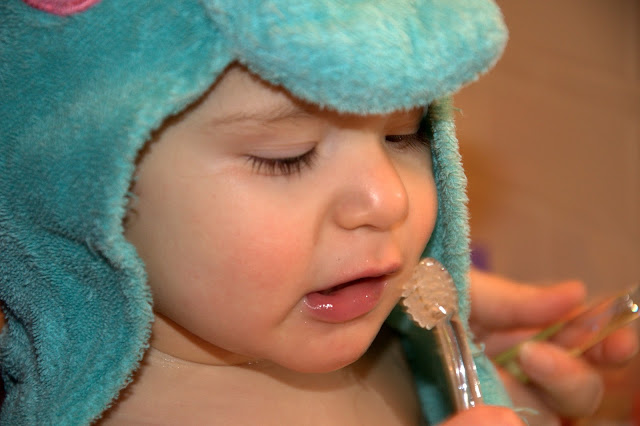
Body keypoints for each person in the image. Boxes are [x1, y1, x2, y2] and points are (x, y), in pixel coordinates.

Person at [0, 1, 636, 425]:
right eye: (288, 156)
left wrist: (501, 397)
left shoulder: (406, 353)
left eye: (404, 136)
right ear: (86, 191)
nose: (388, 199)